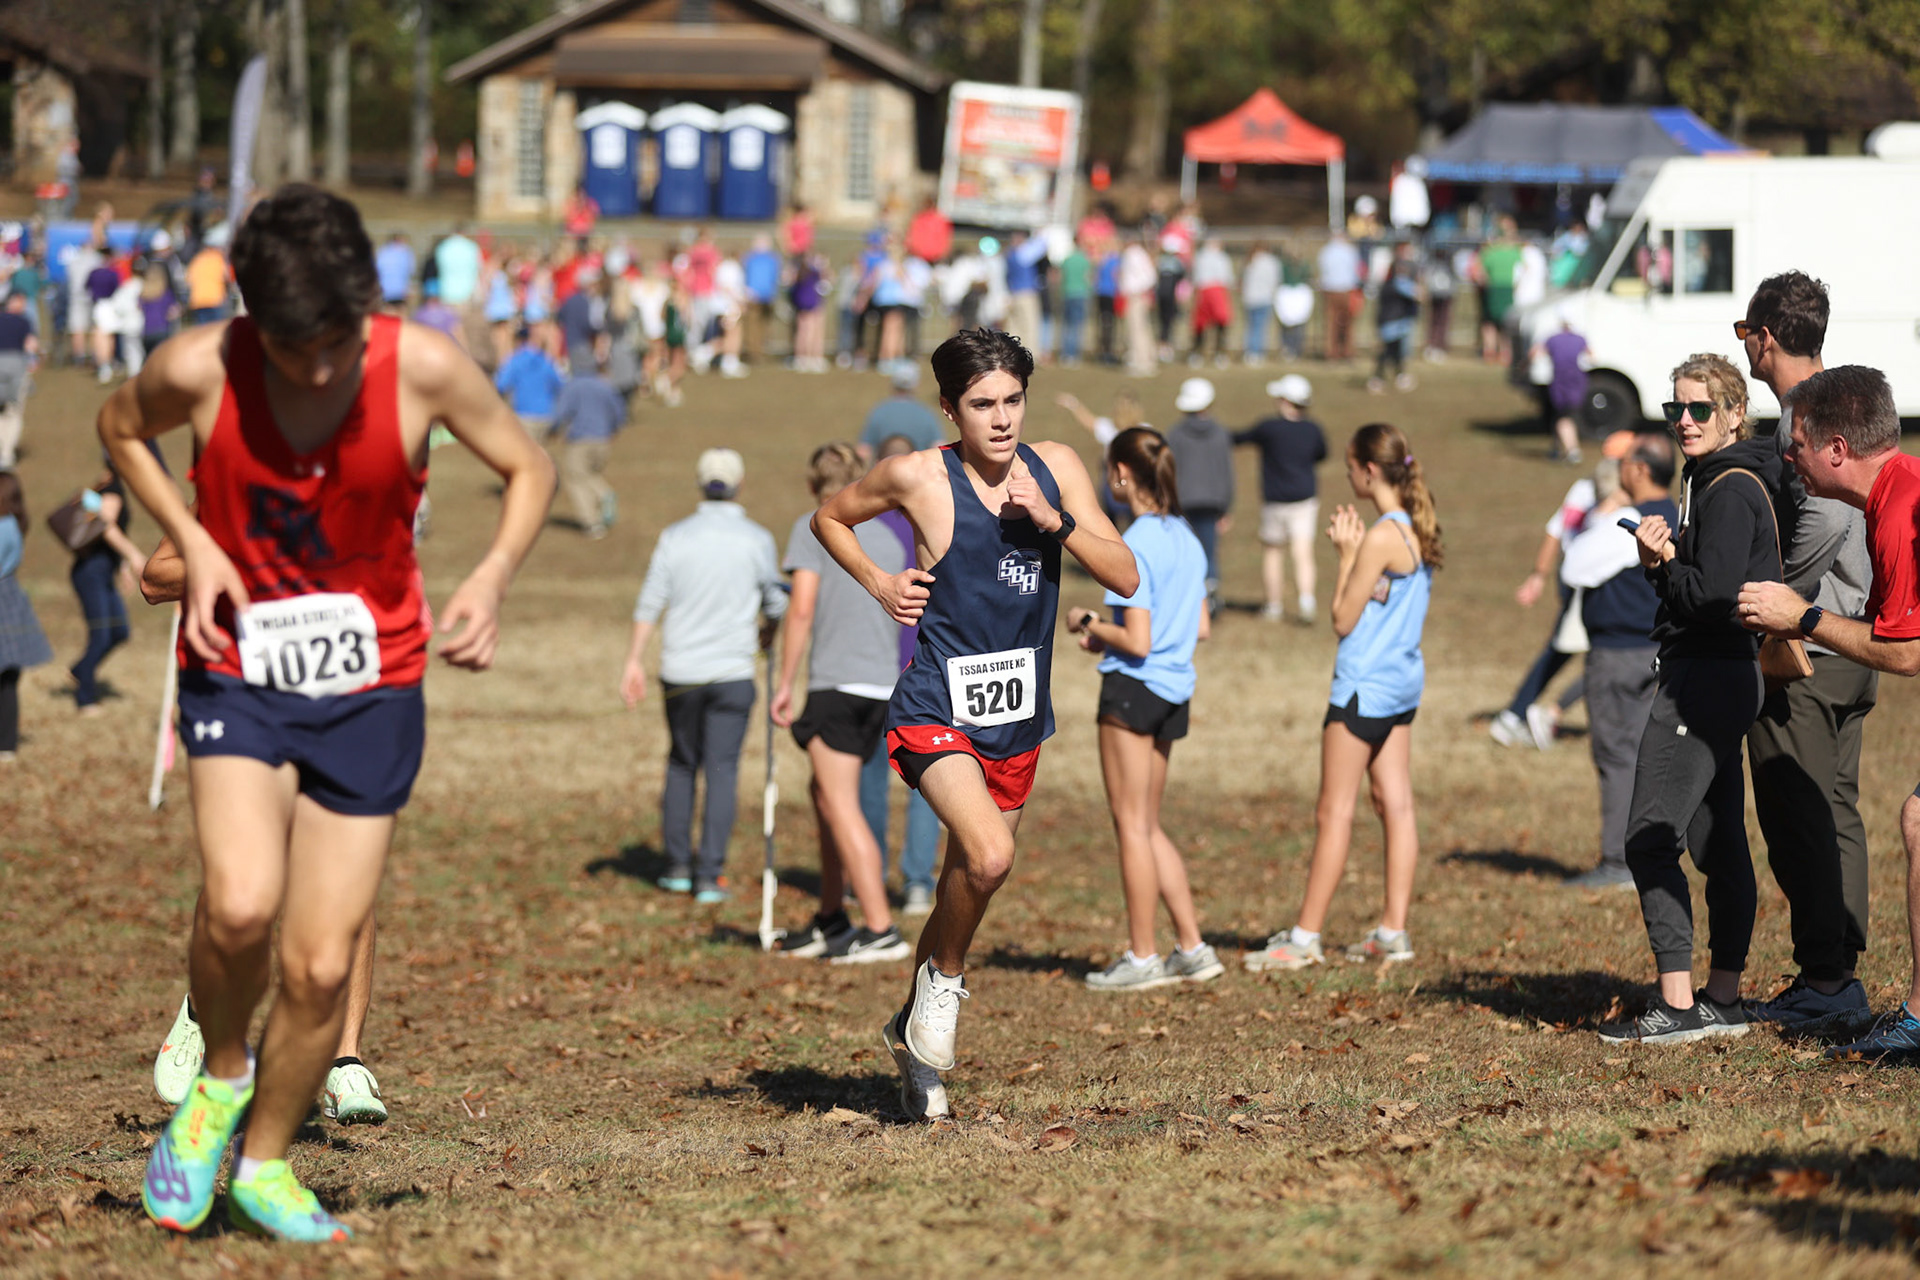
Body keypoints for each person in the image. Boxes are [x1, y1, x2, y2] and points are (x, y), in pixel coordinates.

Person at [107, 184, 555, 1241]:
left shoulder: (424, 366)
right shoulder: (198, 366)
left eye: (336, 343)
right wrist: (193, 532)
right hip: (242, 670)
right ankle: (220, 1076)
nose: (317, 369)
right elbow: (118, 428)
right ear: (253, 319)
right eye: (294, 347)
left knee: (317, 962)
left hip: (373, 682)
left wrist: (489, 577)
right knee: (240, 906)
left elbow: (527, 466)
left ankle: (263, 1160)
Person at [811, 328, 1136, 1121]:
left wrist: (1054, 520)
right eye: (982, 404)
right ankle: (944, 993)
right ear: (950, 410)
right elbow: (829, 517)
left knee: (968, 879)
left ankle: (913, 1040)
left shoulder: (1055, 466)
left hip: (1019, 719)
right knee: (989, 859)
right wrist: (881, 584)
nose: (1001, 419)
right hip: (935, 708)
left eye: (1013, 400)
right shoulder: (919, 476)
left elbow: (1125, 572)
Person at [1595, 354, 1780, 1045]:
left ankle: (1678, 1008)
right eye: (1676, 410)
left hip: (1705, 679)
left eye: (1700, 408)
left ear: (1734, 412)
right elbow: (1701, 589)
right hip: (1720, 674)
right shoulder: (1711, 481)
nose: (1686, 422)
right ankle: (1723, 999)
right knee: (1716, 838)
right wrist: (1664, 564)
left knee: (1647, 837)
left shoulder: (1728, 487)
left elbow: (1711, 596)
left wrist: (1664, 563)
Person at [1737, 366, 1920, 1059]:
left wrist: (1802, 617)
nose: (1789, 458)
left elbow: (1904, 655)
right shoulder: (1893, 494)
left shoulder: (1899, 506)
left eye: (1800, 446)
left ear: (1838, 449)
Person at [1734, 274, 1878, 1040]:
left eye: (1743, 334)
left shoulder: (1803, 410)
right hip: (1857, 633)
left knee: (1796, 807)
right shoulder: (1845, 395)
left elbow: (1820, 513)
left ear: (1763, 336)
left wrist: (1776, 598)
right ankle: (1839, 964)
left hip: (1812, 640)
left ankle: (1826, 980)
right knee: (1839, 807)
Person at [1245, 423, 1441, 970]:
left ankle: (1304, 938)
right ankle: (1392, 931)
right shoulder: (1417, 526)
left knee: (1335, 811)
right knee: (1395, 805)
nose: (1349, 474)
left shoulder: (1381, 535)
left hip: (1362, 689)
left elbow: (1342, 619)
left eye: (1352, 466)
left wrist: (1346, 555)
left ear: (1369, 471)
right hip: (1402, 686)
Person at [1065, 427, 1220, 989]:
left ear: (1122, 475)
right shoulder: (1186, 536)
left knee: (1130, 825)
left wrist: (1088, 623)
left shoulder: (1134, 543)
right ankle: (1193, 946)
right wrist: (1112, 633)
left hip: (1134, 692)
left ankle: (1142, 955)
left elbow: (1139, 641)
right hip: (1175, 692)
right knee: (1149, 824)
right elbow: (1199, 625)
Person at [621, 448, 787, 902]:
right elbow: (776, 601)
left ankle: (676, 865)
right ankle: (709, 874)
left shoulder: (675, 537)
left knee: (680, 762)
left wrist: (634, 660)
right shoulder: (755, 539)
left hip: (679, 673)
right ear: (739, 484)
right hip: (732, 675)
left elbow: (650, 600)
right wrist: (768, 632)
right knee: (722, 770)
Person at [771, 443, 915, 962]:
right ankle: (831, 916)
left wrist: (786, 682)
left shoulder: (813, 526)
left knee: (841, 803)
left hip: (838, 683)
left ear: (816, 487)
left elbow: (802, 609)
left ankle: (879, 927)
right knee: (824, 795)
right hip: (881, 686)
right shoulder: (888, 536)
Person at [1560, 433, 1677, 890]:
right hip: (1657, 652)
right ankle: (1649, 851)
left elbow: (1573, 568)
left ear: (1640, 470)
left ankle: (1617, 862)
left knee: (1615, 754)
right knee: (1646, 756)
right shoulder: (1676, 515)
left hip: (1617, 655)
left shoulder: (1632, 520)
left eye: (1625, 461)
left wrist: (1604, 517)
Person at [862, 432, 941, 915]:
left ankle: (866, 874)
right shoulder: (933, 520)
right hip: (924, 667)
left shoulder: (866, 528)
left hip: (875, 666)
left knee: (869, 776)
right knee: (930, 781)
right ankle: (916, 881)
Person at [1234, 375, 1326, 623]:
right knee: (1303, 552)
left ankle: (1273, 606)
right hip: (1305, 500)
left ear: (1285, 401)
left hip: (1275, 501)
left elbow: (1239, 438)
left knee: (1273, 553)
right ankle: (1307, 600)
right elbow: (1321, 454)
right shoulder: (1313, 429)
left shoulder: (1269, 428)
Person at [66, 461, 147, 713]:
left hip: (102, 569)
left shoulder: (107, 486)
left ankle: (81, 669)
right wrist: (134, 556)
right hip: (91, 571)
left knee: (119, 630)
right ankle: (85, 698)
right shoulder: (112, 489)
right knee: (101, 634)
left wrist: (121, 566)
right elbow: (107, 527)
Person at [0, 470, 52, 760]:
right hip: (10, 599)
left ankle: (6, 743)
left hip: (3, 602)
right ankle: (6, 743)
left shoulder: (4, 527)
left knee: (6, 678)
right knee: (7, 678)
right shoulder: (13, 524)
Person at [1166, 378, 1232, 605]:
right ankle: (1211, 592)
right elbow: (1226, 471)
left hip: (1182, 501)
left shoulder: (1175, 434)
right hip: (1212, 502)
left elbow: (1169, 470)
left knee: (1185, 551)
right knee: (1209, 550)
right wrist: (1226, 507)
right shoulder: (1221, 433)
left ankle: (1189, 597)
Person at [550, 349, 627, 539]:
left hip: (580, 440)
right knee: (590, 474)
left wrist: (553, 429)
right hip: (604, 441)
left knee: (575, 478)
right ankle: (604, 493)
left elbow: (561, 412)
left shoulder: (573, 386)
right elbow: (619, 412)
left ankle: (592, 522)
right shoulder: (605, 386)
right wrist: (613, 429)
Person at [858, 364, 945, 460]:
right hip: (916, 471)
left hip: (884, 470)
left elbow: (863, 451)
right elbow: (939, 449)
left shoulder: (878, 411)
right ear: (915, 384)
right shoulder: (927, 414)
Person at [1533, 318, 1590, 463]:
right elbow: (1591, 356)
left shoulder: (1553, 339)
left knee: (1563, 418)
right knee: (1565, 415)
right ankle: (1557, 449)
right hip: (1577, 380)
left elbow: (1536, 353)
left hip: (1560, 381)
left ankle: (1572, 450)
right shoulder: (1580, 339)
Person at [1367, 251, 1420, 393]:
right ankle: (1378, 378)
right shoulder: (1396, 284)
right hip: (1391, 322)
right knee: (1388, 352)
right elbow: (1418, 294)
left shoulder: (1392, 284)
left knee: (1396, 352)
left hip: (1396, 321)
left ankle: (1398, 377)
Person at [0, 289, 38, 468]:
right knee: (13, 411)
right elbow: (31, 346)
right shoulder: (24, 321)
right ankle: (7, 454)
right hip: (16, 366)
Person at [1188, 237, 1234, 366]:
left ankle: (1201, 355)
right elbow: (1228, 278)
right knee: (1209, 325)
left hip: (1209, 290)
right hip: (1212, 290)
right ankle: (1214, 354)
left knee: (1211, 324)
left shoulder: (1202, 257)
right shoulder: (1220, 257)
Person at [1317, 230, 1362, 362]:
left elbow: (1323, 269)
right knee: (1348, 323)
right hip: (1347, 289)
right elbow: (1356, 270)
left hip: (1330, 289)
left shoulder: (1325, 251)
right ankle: (1347, 352)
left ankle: (1331, 352)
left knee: (1331, 323)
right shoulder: (1350, 251)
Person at [1119, 232, 1158, 377]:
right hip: (1138, 295)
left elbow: (1148, 277)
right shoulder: (1139, 254)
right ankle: (1147, 359)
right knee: (1143, 327)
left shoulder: (1132, 254)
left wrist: (1137, 291)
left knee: (1137, 329)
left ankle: (1140, 362)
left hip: (1136, 296)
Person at [1241, 241, 1280, 367]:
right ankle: (1256, 352)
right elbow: (1275, 280)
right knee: (1260, 327)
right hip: (1264, 298)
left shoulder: (1250, 262)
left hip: (1250, 299)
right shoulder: (1271, 262)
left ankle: (1250, 352)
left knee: (1251, 327)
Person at [433, 223, 482, 307]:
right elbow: (479, 268)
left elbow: (438, 266)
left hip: (446, 291)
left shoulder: (443, 246)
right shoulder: (471, 247)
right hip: (467, 292)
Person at [374, 232, 414, 311]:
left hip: (387, 288)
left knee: (388, 309)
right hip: (400, 288)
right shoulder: (405, 252)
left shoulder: (383, 251)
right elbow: (411, 270)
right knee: (400, 309)